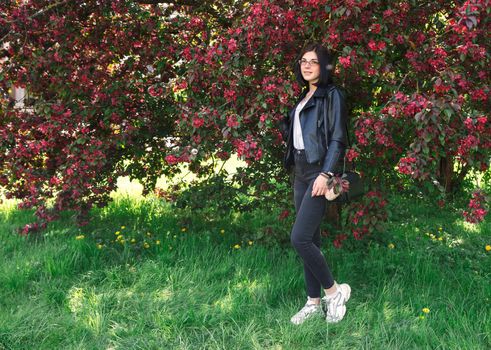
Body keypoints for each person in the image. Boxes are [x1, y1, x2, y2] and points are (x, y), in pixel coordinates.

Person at [281, 43, 351, 325]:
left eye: (313, 62)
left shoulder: (332, 95)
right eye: (303, 61)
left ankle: (334, 293)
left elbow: (338, 138)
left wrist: (325, 173)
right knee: (310, 238)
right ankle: (313, 302)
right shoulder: (303, 96)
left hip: (318, 172)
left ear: (324, 67)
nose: (307, 65)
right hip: (300, 171)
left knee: (299, 239)